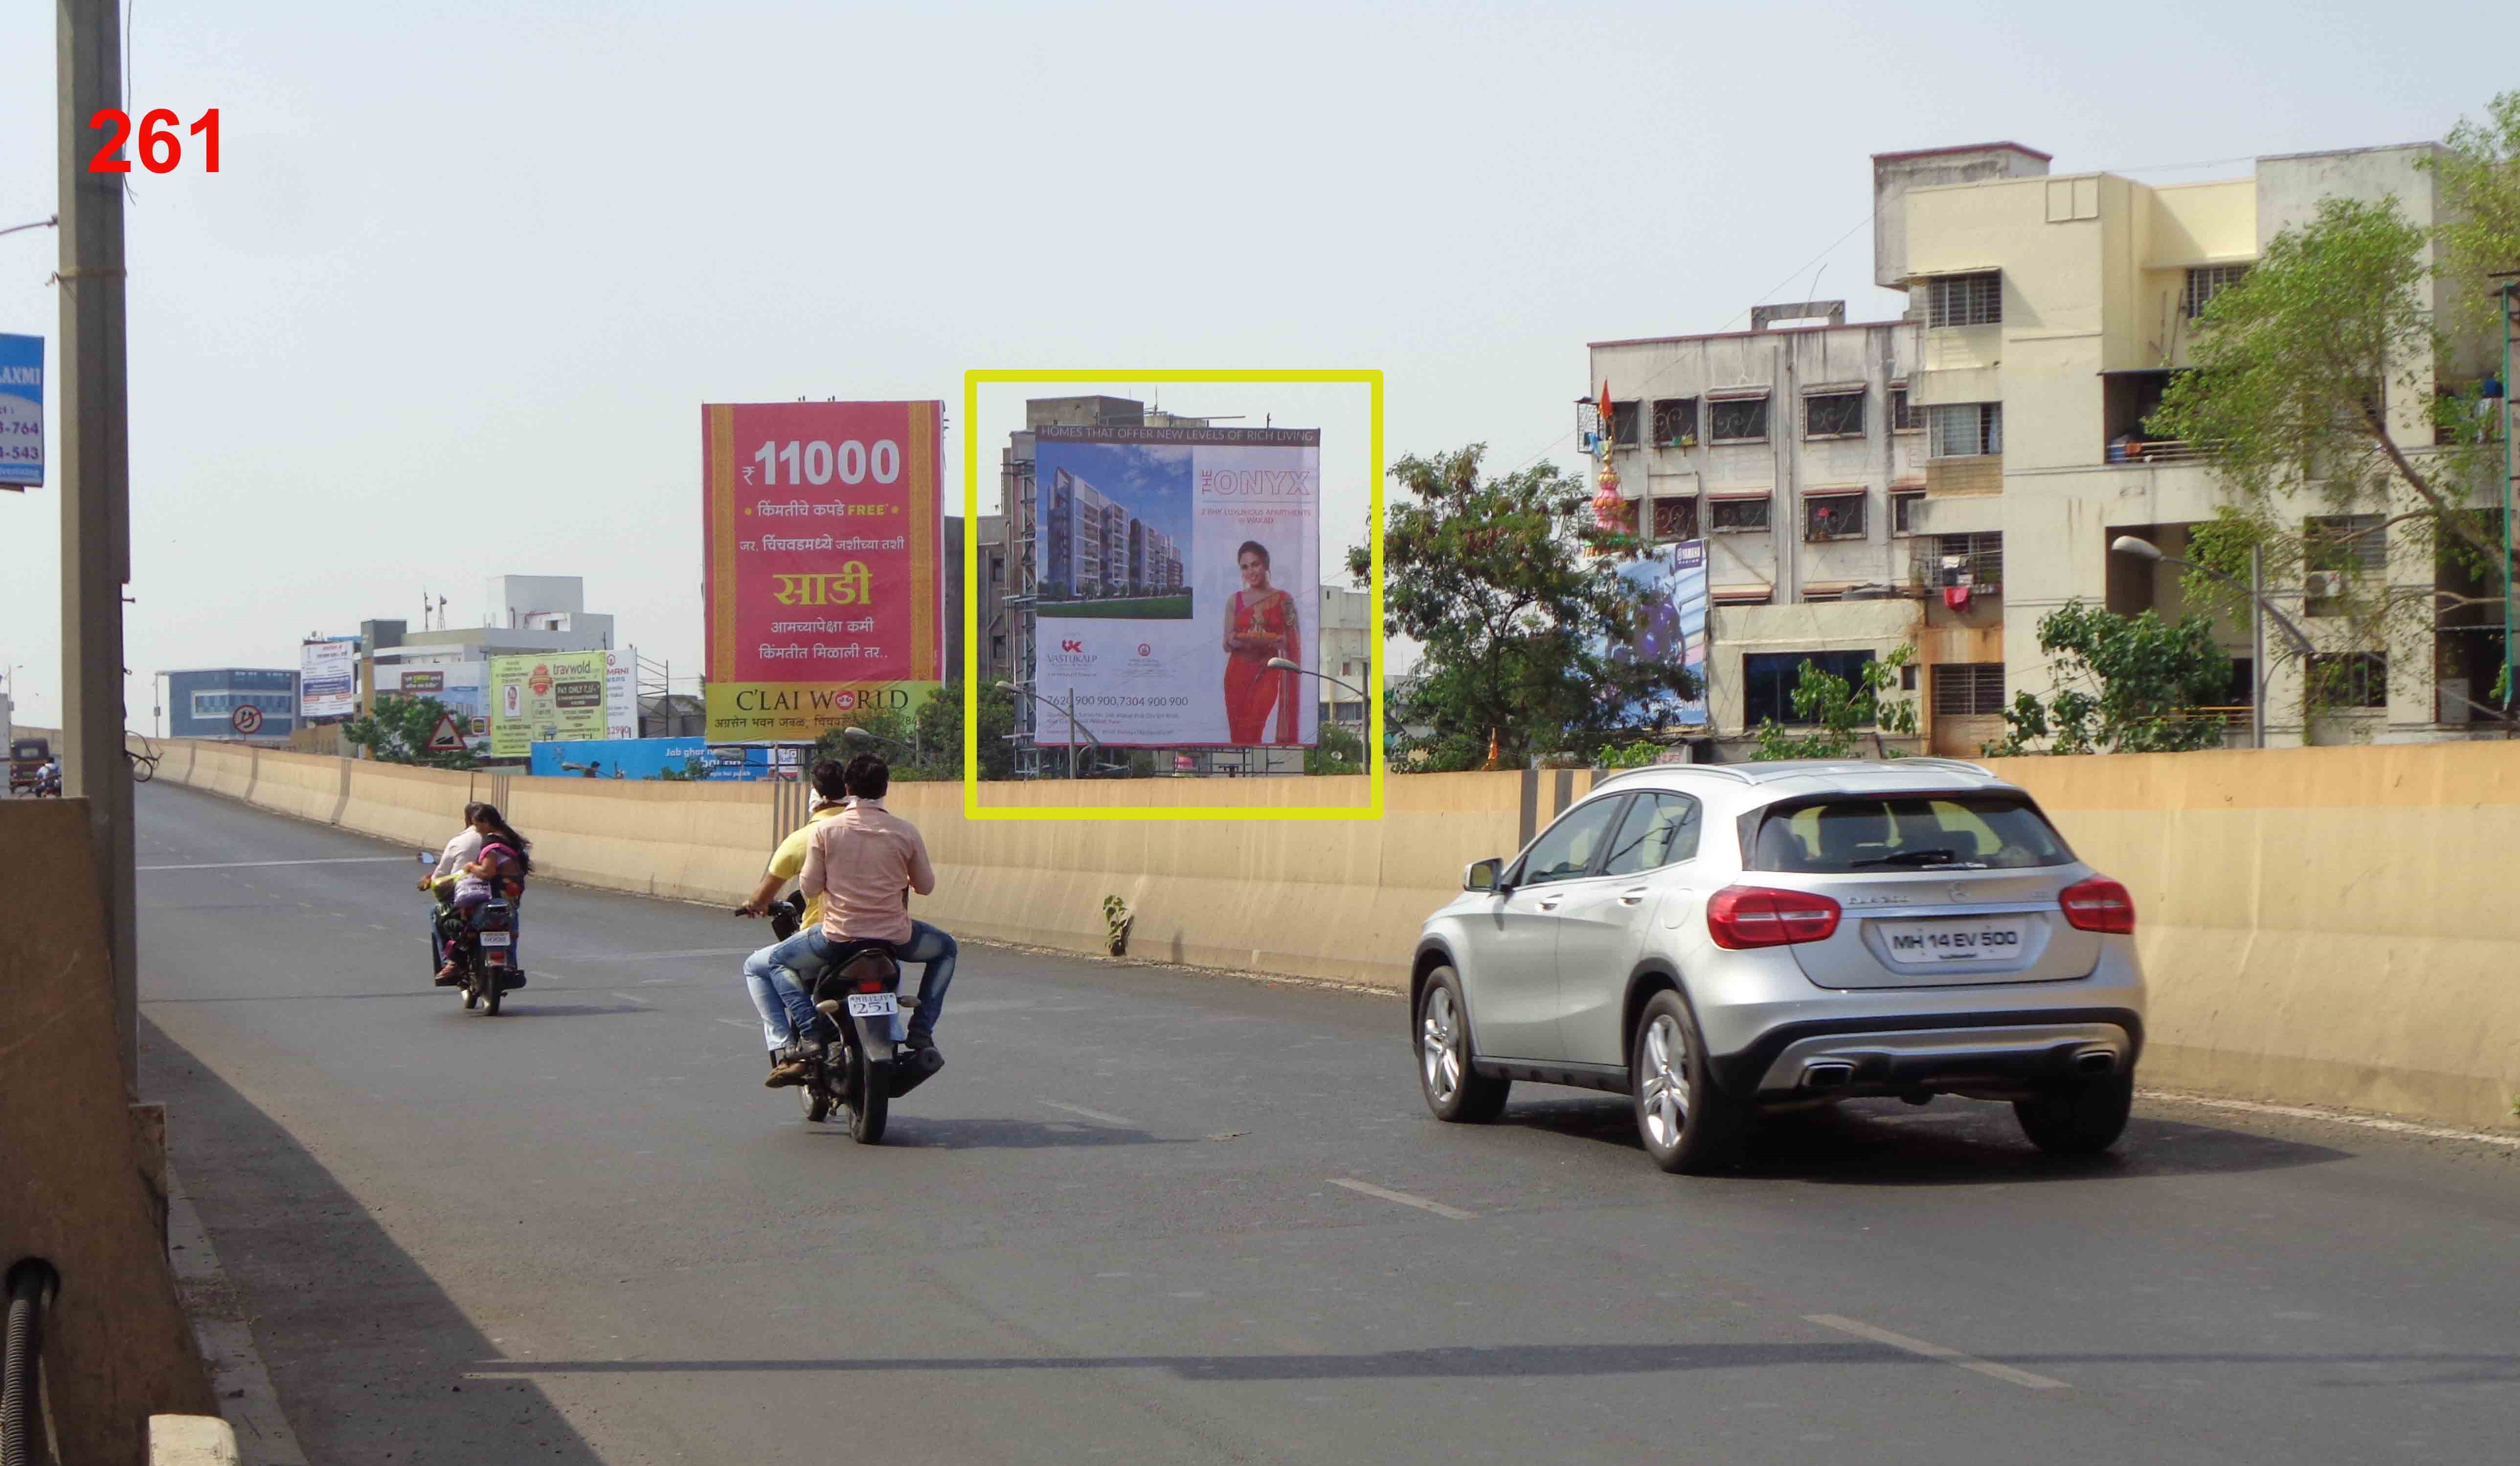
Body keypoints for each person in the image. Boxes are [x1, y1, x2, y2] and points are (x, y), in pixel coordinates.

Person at [800, 753, 947, 1076]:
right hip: (894, 939)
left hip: (838, 938)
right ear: (885, 788)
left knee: (772, 963)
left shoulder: (825, 832)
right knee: (946, 950)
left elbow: (810, 889)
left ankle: (810, 1035)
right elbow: (925, 886)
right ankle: (921, 1030)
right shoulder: (906, 832)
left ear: (848, 787)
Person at [735, 759, 853, 1086]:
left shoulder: (808, 838)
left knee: (762, 965)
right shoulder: (877, 830)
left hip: (827, 936)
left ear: (816, 797)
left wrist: (754, 905)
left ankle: (790, 1046)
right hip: (882, 935)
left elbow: (773, 893)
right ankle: (907, 1032)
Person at [434, 803, 532, 984]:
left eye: (478, 826)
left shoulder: (491, 842)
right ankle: (510, 964)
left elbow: (488, 873)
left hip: (496, 893)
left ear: (486, 823)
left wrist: (471, 867)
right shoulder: (510, 839)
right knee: (510, 929)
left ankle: (454, 962)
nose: (477, 832)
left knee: (466, 924)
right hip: (512, 894)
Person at [1221, 539, 1302, 745]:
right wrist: (1235, 641)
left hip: (1268, 671)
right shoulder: (1234, 600)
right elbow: (1226, 643)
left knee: (1254, 726)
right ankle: (1241, 776)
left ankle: (1256, 773)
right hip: (1237, 674)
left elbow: (1291, 643)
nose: (1251, 571)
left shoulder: (1284, 599)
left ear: (1266, 564)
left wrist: (1276, 642)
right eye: (1245, 567)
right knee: (1238, 733)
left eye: (1255, 564)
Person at [421, 801, 487, 975]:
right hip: (497, 895)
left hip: (466, 895)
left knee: (436, 913)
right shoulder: (504, 840)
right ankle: (510, 961)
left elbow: (440, 876)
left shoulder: (460, 841)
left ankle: (451, 962)